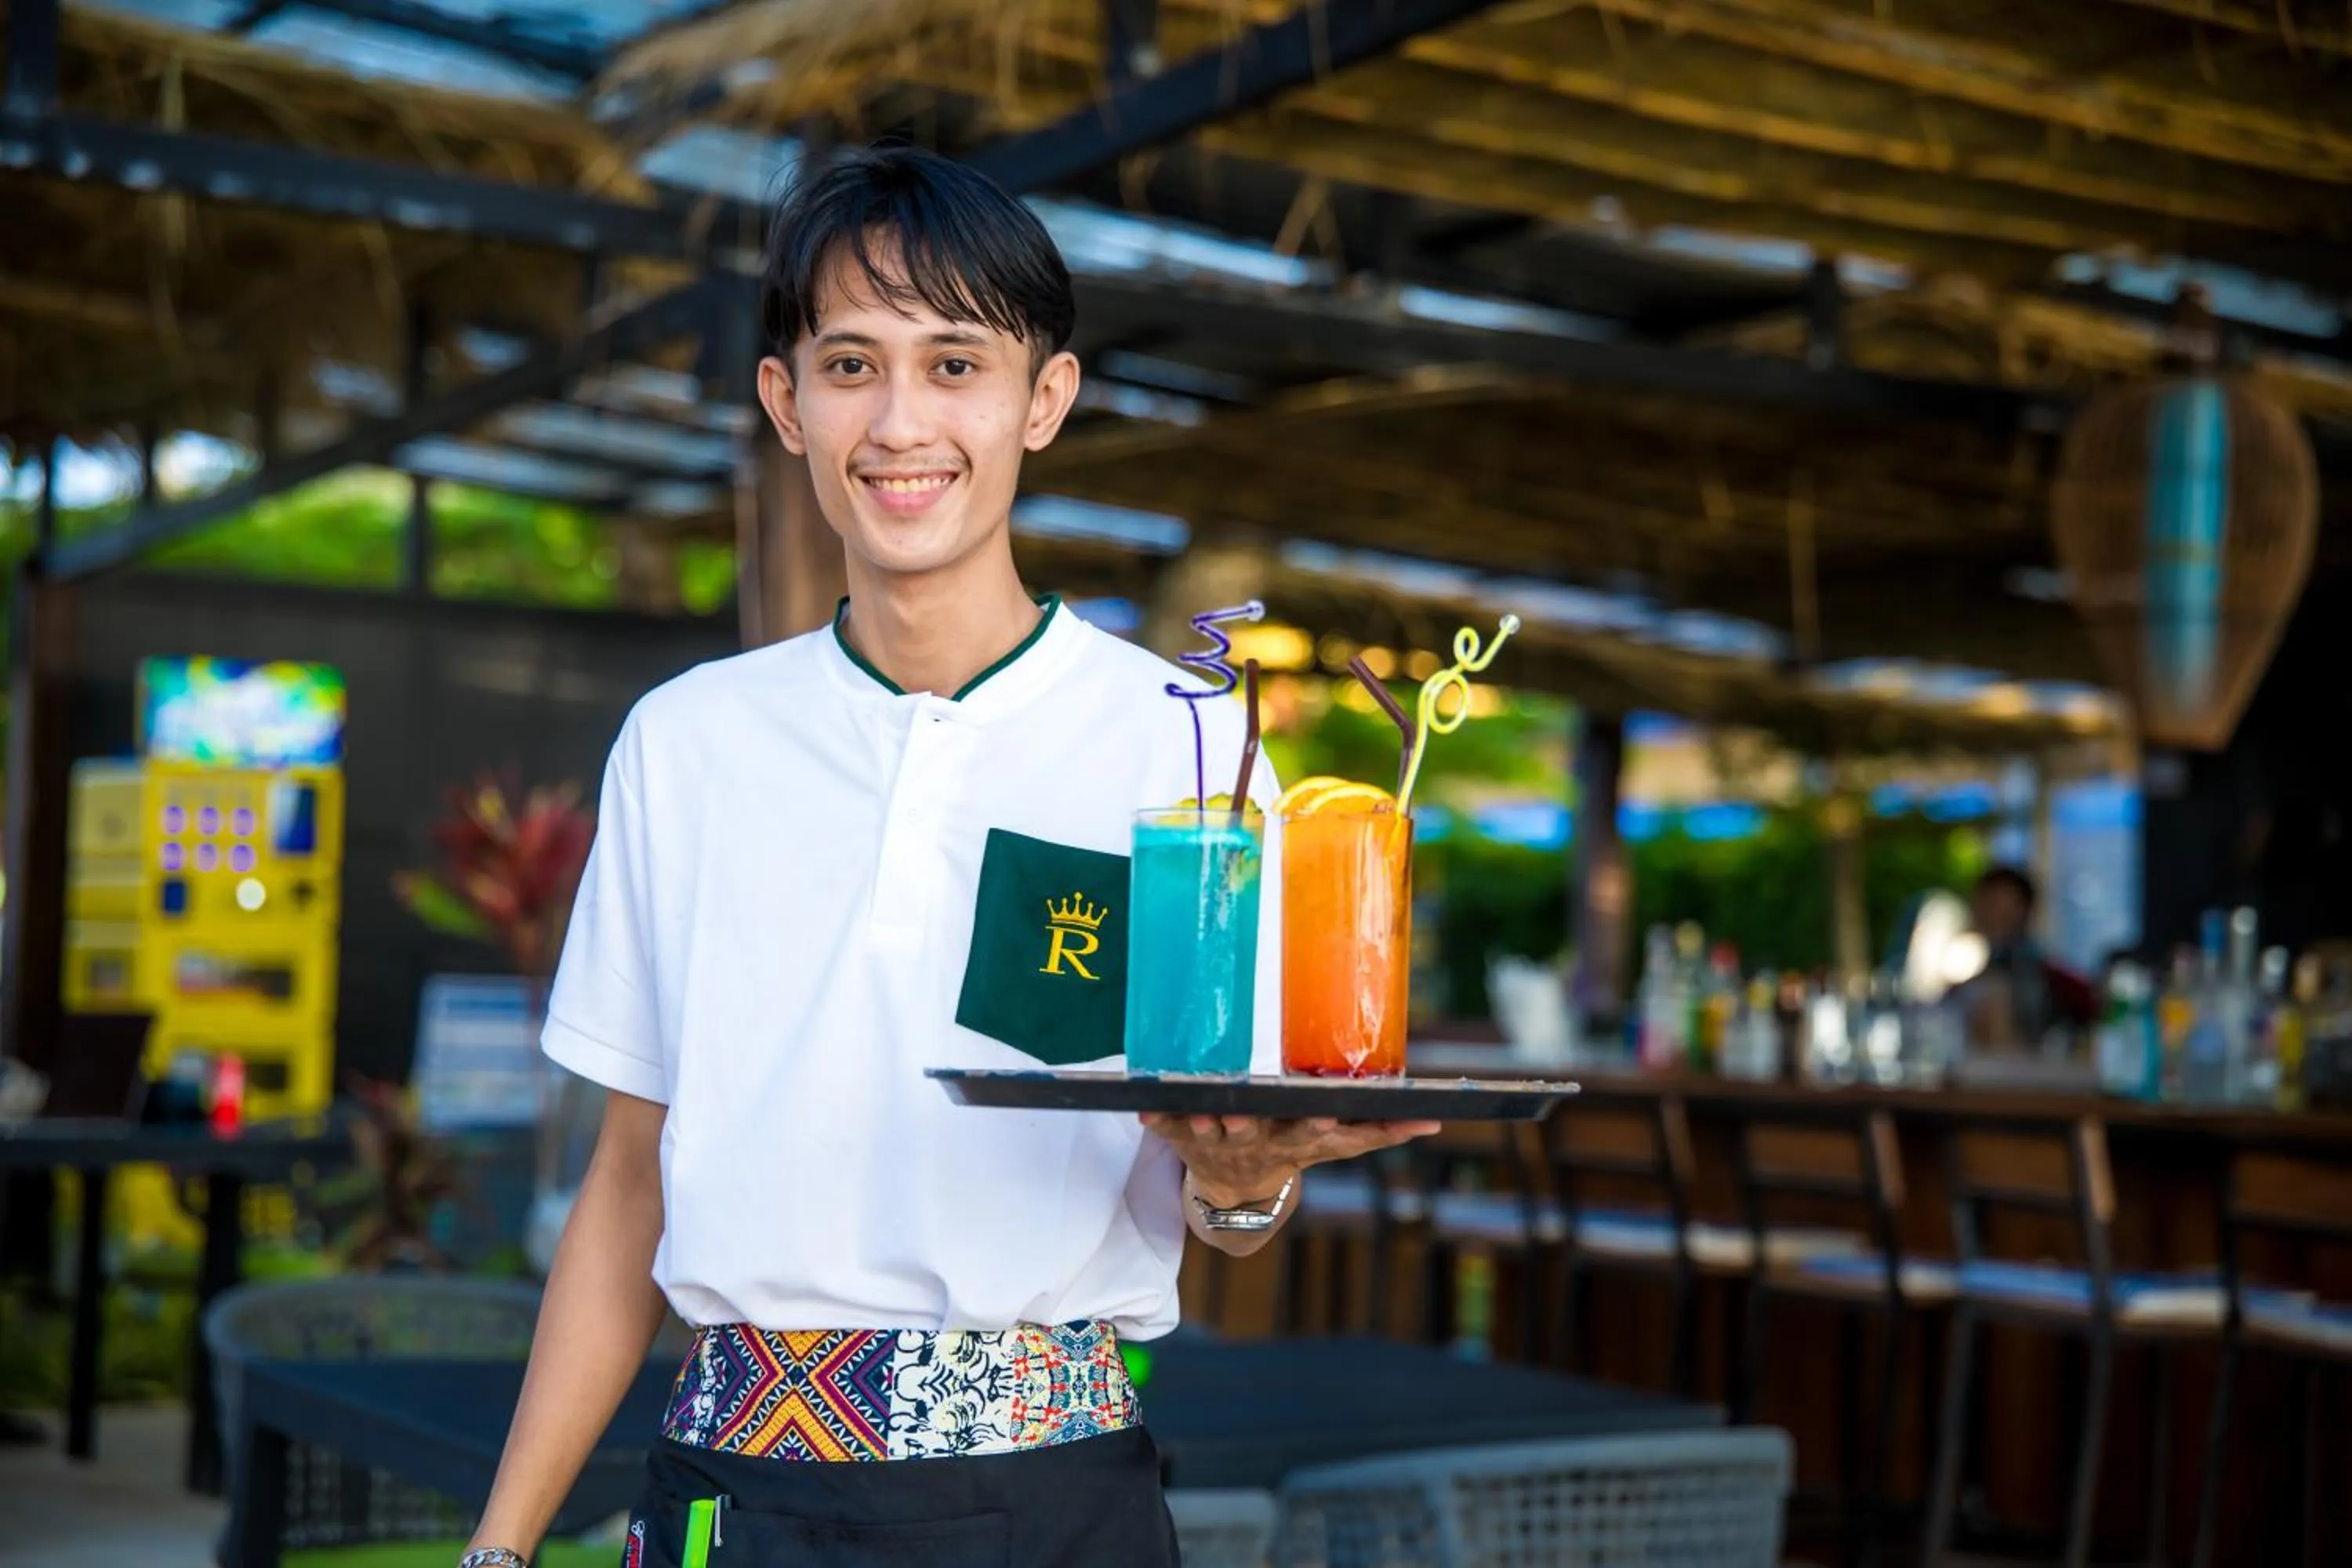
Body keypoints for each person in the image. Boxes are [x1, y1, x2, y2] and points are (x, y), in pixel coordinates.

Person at [457, 145, 1438, 1568]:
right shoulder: (687, 744)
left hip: (1060, 1508)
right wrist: (500, 1549)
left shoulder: (1189, 754)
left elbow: (1230, 1190)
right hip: (737, 1499)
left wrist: (1245, 1185)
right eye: (851, 365)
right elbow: (626, 1188)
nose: (901, 421)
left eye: (956, 364)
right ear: (785, 405)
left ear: (1045, 398)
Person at [1956, 865, 2096, 1051]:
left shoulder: (2052, 978)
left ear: (2025, 913)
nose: (1991, 916)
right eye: (1987, 906)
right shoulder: (1969, 973)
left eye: (2003, 912)